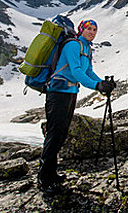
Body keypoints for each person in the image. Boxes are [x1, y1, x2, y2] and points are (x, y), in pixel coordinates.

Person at [38, 19, 116, 194]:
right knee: (54, 132)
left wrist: (102, 83)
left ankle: (51, 173)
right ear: (81, 30)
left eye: (95, 29)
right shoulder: (73, 45)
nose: (92, 32)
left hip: (70, 92)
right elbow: (76, 71)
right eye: (88, 28)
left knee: (61, 133)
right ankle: (44, 178)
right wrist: (97, 86)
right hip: (58, 92)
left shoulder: (86, 48)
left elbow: (88, 71)